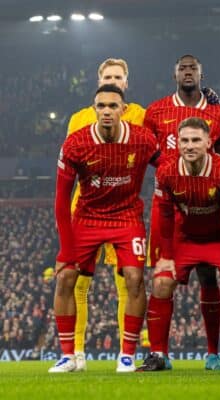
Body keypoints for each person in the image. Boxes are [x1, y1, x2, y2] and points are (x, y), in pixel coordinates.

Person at [50, 84, 160, 373]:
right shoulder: (75, 143)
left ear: (124, 110)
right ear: (94, 109)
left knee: (135, 279)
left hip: (126, 218)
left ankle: (127, 355)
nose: (107, 111)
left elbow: (168, 167)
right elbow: (62, 201)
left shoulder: (143, 139)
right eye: (101, 106)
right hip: (86, 219)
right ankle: (68, 355)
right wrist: (65, 248)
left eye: (113, 106)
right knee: (65, 279)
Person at [136, 117, 220, 372]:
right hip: (185, 239)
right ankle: (158, 355)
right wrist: (166, 256)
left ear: (208, 142)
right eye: (185, 140)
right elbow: (166, 217)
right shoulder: (166, 172)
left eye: (196, 140)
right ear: (177, 143)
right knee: (161, 281)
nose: (190, 146)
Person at [143, 55, 220, 370]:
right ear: (175, 73)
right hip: (169, 203)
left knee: (209, 275)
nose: (188, 71)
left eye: (194, 67)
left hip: (208, 205)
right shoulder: (155, 111)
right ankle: (159, 354)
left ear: (202, 73)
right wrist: (170, 171)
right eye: (183, 68)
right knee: (162, 277)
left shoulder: (218, 113)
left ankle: (213, 354)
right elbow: (147, 149)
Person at [66, 58, 146, 372]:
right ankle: (76, 354)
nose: (112, 79)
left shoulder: (140, 114)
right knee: (77, 284)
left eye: (118, 76)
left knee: (127, 282)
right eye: (107, 76)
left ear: (126, 83)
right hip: (84, 207)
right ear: (98, 81)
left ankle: (126, 354)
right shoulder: (79, 118)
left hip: (123, 208)